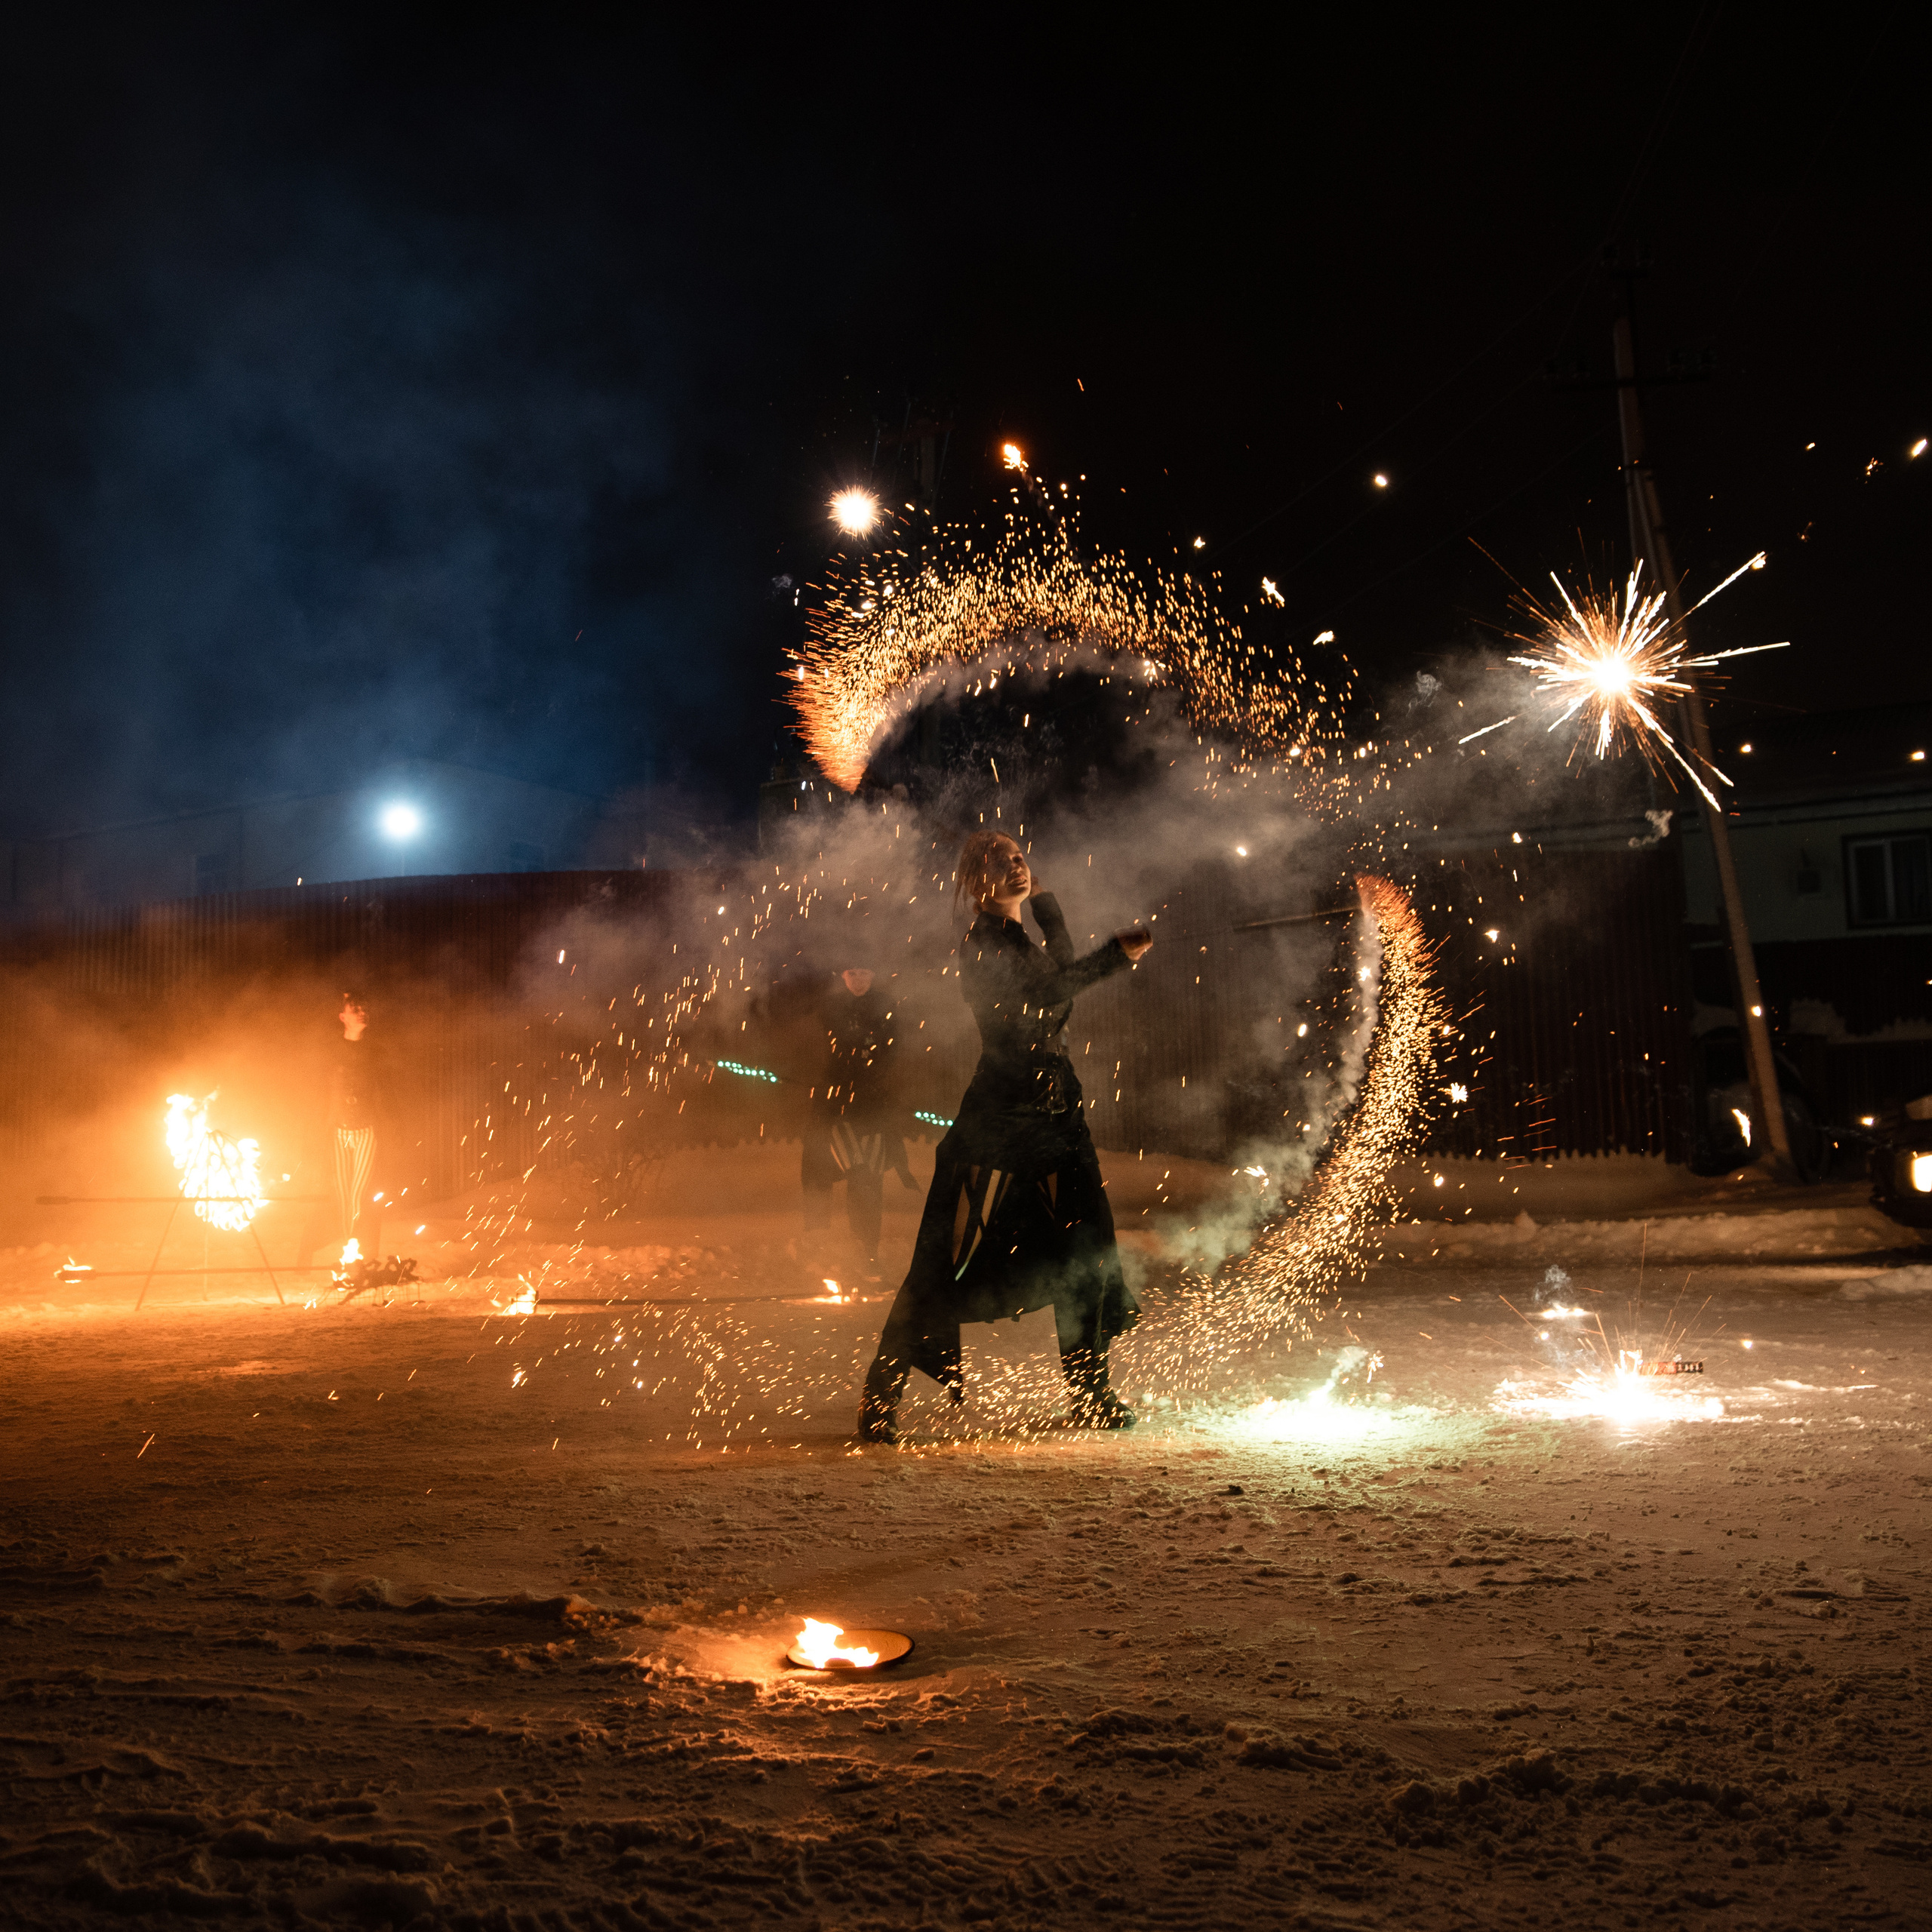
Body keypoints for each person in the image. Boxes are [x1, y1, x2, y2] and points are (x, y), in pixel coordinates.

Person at [857, 831, 1152, 1442]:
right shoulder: (982, 946)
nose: (1015, 866)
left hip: (1058, 1118)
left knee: (1088, 1250)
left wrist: (1051, 912)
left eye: (1020, 857)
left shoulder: (1018, 935)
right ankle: (880, 1398)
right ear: (975, 882)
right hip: (999, 1121)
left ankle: (1091, 1394)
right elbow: (1045, 995)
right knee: (946, 1258)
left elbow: (1061, 978)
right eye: (1000, 862)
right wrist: (1113, 958)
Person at [800, 956, 914, 1272]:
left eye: (865, 972)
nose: (859, 979)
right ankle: (818, 1247)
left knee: (868, 1177)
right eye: (852, 973)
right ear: (843, 975)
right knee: (821, 1168)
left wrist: (875, 1075)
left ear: (874, 973)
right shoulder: (829, 1009)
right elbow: (816, 1053)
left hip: (874, 1109)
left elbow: (895, 1054)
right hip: (836, 1109)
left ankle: (867, 1250)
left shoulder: (887, 1006)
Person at [300, 992, 384, 1266]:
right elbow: (321, 1091)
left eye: (364, 1007)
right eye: (354, 1008)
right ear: (343, 1017)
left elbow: (387, 1090)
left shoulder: (375, 1050)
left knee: (359, 1194)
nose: (361, 1011)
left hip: (365, 1129)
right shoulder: (333, 1050)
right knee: (342, 1196)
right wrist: (320, 1126)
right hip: (338, 1130)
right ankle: (339, 1252)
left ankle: (357, 1255)